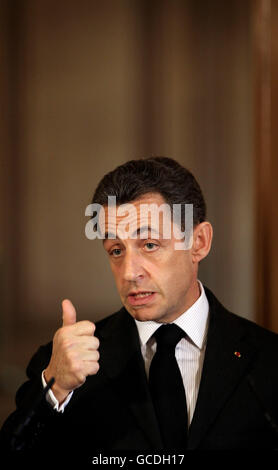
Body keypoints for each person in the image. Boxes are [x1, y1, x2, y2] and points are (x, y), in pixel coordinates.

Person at [1, 156, 278, 458]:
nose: (129, 272)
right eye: (116, 250)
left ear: (198, 242)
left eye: (149, 245)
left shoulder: (270, 362)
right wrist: (55, 391)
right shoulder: (66, 367)